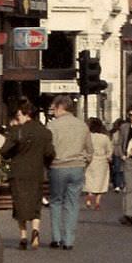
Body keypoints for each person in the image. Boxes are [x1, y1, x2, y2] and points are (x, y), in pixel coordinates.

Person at [1, 98, 55, 250]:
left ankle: (23, 236)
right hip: (36, 172)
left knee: (20, 204)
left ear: (22, 113)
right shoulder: (44, 132)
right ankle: (36, 230)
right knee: (35, 202)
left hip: (18, 172)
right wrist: (46, 164)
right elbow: (50, 152)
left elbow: (4, 151)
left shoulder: (17, 131)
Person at [47, 95, 93, 249]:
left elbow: (48, 149)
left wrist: (48, 164)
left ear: (60, 107)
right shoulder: (82, 126)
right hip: (77, 166)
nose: (53, 112)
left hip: (58, 166)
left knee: (56, 201)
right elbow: (90, 150)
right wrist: (84, 163)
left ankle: (56, 237)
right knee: (72, 203)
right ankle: (69, 240)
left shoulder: (53, 126)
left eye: (54, 108)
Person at [83, 118, 112, 210]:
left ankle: (89, 196)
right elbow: (109, 150)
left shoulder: (86, 137)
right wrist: (108, 157)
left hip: (90, 160)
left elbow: (83, 148)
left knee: (89, 180)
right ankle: (97, 201)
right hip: (102, 161)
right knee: (101, 182)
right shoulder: (104, 138)